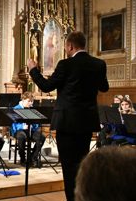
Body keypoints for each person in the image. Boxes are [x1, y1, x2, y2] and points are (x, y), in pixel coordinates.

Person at [27, 31, 109, 201]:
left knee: (68, 167)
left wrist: (33, 70)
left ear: (70, 46)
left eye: (66, 46)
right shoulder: (99, 64)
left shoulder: (65, 64)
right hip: (86, 122)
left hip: (67, 123)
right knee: (81, 164)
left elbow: (47, 86)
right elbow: (104, 88)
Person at [11, 91, 45, 166]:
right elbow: (13, 124)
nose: (30, 103)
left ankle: (32, 157)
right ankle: (22, 158)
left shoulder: (32, 109)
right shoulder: (16, 108)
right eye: (29, 101)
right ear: (23, 100)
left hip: (30, 130)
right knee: (21, 136)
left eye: (31, 101)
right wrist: (22, 127)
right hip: (19, 130)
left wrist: (33, 125)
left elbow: (37, 123)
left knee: (41, 137)